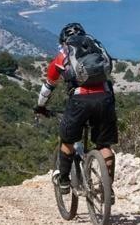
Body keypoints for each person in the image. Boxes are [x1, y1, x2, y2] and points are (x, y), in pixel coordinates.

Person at [35, 22, 117, 199]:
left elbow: (48, 87)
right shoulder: (96, 48)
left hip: (80, 100)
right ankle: (107, 189)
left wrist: (40, 106)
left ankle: (64, 181)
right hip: (105, 98)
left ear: (63, 41)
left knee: (67, 141)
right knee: (104, 146)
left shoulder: (62, 56)